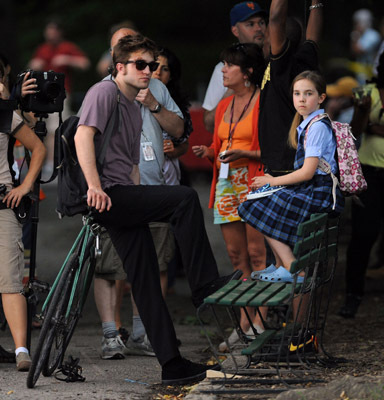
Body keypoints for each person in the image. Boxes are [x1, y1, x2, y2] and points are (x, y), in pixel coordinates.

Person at [75, 34, 240, 385]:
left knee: (147, 279)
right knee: (183, 198)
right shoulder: (103, 93)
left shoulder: (136, 102)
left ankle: (172, 365)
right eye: (140, 65)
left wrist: (138, 193)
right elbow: (82, 136)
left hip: (124, 196)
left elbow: (132, 157)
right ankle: (204, 283)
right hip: (106, 195)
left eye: (151, 65)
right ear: (120, 67)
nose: (148, 70)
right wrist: (94, 186)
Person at [193, 43, 266, 350]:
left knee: (258, 254)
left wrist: (244, 153)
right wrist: (209, 151)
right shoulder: (224, 105)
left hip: (254, 184)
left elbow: (274, 151)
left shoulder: (264, 102)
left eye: (228, 65)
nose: (222, 70)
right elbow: (218, 145)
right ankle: (244, 322)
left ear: (247, 73)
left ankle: (260, 320)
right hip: (226, 186)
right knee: (237, 258)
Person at [238, 70, 344, 282]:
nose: (302, 99)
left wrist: (272, 181)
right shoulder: (307, 124)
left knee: (254, 206)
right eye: (297, 94)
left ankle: (293, 269)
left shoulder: (317, 128)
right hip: (314, 187)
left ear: (321, 98)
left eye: (308, 93)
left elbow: (306, 173)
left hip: (319, 192)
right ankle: (280, 265)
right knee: (258, 200)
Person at [0, 60, 46, 371]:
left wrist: (26, 186)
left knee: (10, 280)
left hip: (3, 203)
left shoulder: (3, 111)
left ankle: (21, 351)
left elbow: (38, 148)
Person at [338, 52, 384, 318]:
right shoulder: (366, 92)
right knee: (363, 235)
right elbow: (354, 131)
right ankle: (353, 295)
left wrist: (375, 127)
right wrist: (365, 113)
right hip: (369, 174)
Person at [258, 0, 322, 178]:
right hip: (296, 158)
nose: (263, 42)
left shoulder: (281, 65)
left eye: (266, 37)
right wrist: (316, 3)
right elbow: (313, 38)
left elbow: (276, 18)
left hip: (283, 164)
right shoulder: (305, 59)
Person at [28, 18, 90, 177]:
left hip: (61, 93)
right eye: (49, 32)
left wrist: (68, 60)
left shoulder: (67, 47)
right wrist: (34, 65)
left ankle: (57, 161)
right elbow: (31, 65)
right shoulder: (43, 49)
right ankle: (49, 161)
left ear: (60, 32)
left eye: (54, 31)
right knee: (43, 128)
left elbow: (85, 63)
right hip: (41, 94)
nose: (51, 34)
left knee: (58, 127)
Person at [202, 1, 268, 132]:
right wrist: (235, 85)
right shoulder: (223, 68)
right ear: (235, 30)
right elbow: (209, 124)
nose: (258, 28)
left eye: (261, 22)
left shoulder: (275, 61)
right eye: (250, 24)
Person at [350, 9, 381, 84]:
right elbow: (352, 52)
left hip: (370, 74)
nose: (355, 25)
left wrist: (355, 37)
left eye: (357, 23)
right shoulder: (361, 35)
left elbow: (358, 50)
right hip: (361, 74)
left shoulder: (373, 35)